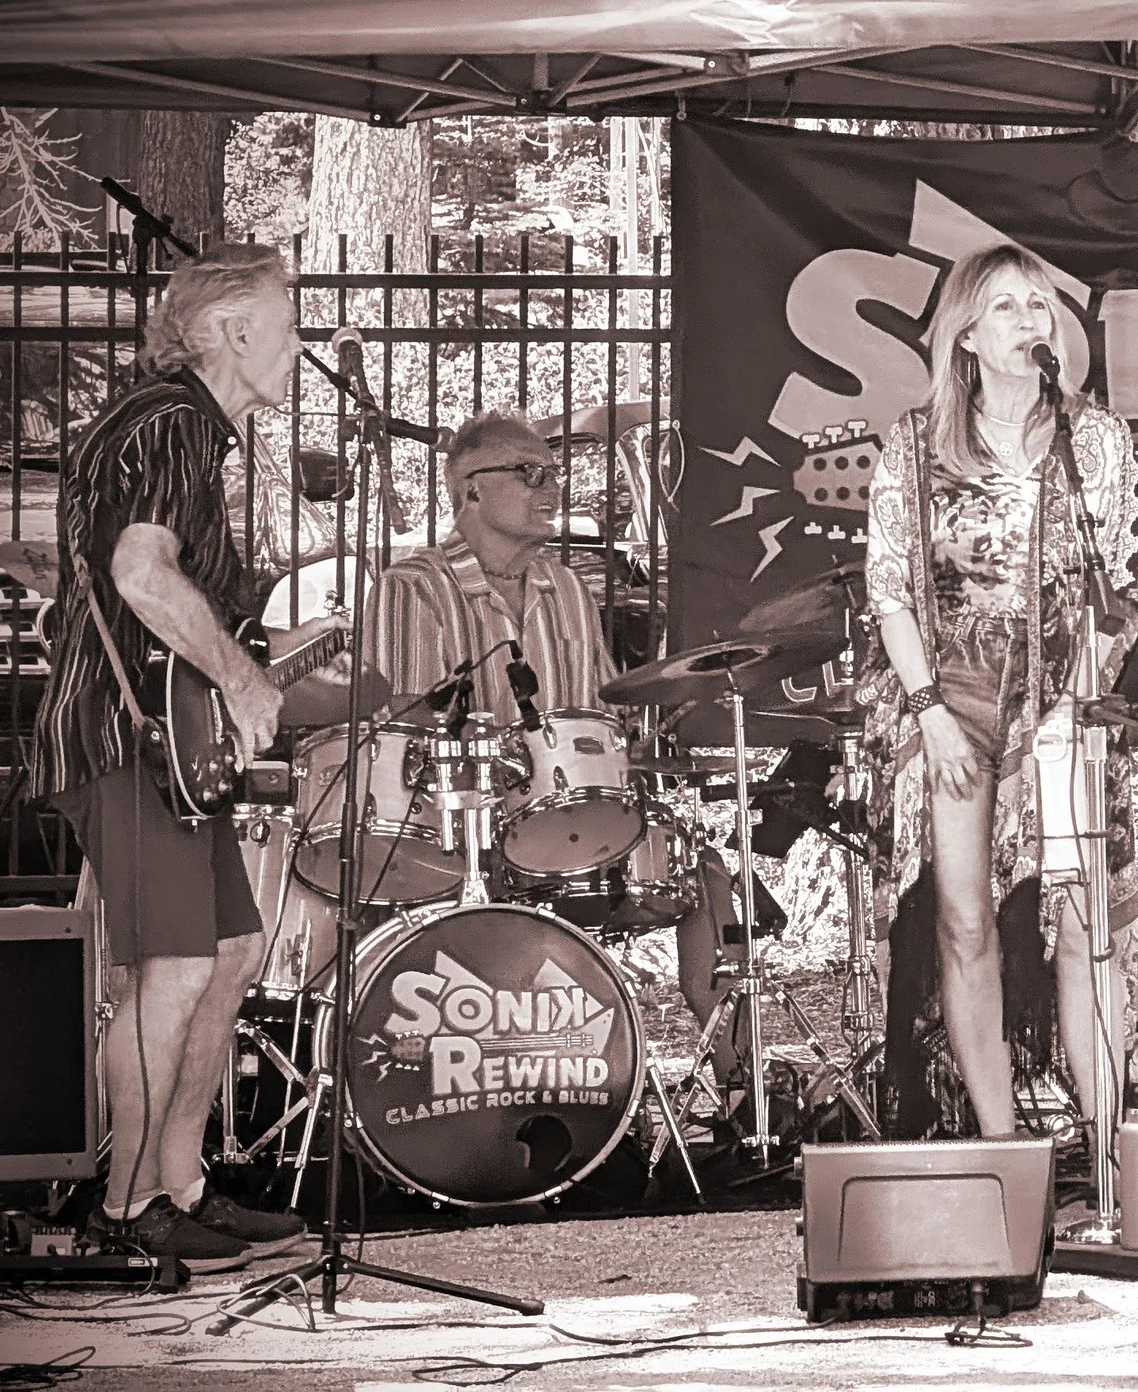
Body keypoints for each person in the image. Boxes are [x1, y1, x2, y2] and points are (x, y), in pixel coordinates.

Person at [33, 243, 337, 1268]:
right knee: (169, 970)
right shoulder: (170, 419)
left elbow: (179, 600)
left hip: (170, 742)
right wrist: (248, 682)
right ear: (229, 331)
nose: (300, 345)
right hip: (127, 738)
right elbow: (140, 575)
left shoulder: (192, 431)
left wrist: (273, 654)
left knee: (231, 954)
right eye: (287, 323)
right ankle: (124, 1211)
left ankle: (181, 1183)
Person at [861, 243, 1138, 1137]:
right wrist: (930, 716)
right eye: (1006, 306)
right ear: (963, 334)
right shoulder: (915, 447)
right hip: (952, 699)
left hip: (1069, 702)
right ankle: (1003, 1147)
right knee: (966, 926)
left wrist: (1083, 694)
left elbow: (1132, 581)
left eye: (1040, 305)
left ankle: (1109, 1152)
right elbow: (888, 588)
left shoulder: (1094, 440)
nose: (1032, 320)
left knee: (1086, 922)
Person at [368, 411, 745, 1083]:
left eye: (555, 474)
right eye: (531, 472)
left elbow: (595, 716)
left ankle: (742, 1084)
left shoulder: (567, 587)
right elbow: (402, 727)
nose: (553, 487)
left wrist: (640, 744)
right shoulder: (411, 585)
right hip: (459, 832)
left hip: (565, 818)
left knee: (703, 873)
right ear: (469, 489)